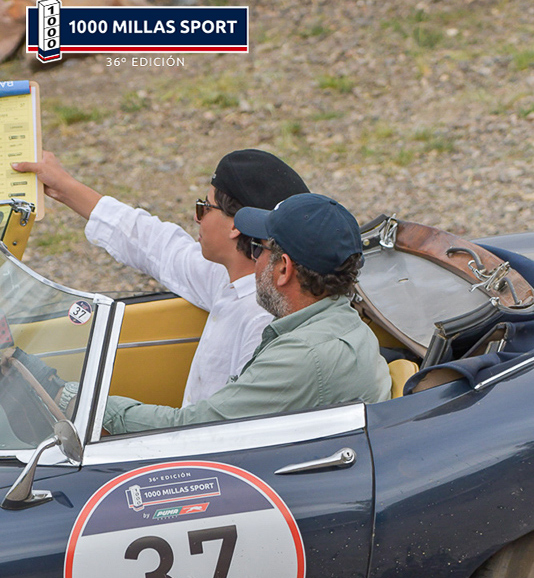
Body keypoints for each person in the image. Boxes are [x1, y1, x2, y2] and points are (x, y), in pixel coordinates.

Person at [11, 148, 310, 406]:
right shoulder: (230, 277)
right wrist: (64, 187)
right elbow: (155, 244)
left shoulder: (263, 321)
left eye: (204, 207)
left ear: (236, 226)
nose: (196, 217)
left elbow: (231, 423)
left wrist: (72, 400)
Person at [100, 193, 392, 434]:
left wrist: (91, 406)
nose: (254, 262)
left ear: (283, 268)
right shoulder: (341, 322)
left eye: (257, 249)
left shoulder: (302, 356)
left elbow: (192, 430)